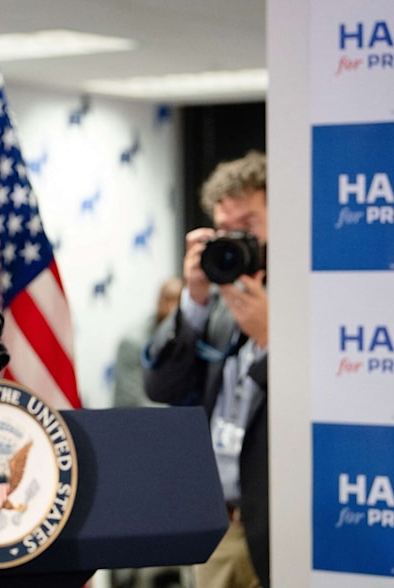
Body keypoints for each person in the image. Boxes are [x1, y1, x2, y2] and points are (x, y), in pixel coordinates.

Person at [142, 150, 269, 588]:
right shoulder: (215, 307)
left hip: (285, 524)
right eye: (224, 231)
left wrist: (271, 338)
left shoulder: (315, 297)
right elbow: (161, 386)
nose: (234, 241)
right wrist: (194, 300)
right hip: (221, 523)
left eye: (247, 228)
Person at [113, 277, 183, 408]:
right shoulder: (132, 343)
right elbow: (133, 401)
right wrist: (183, 414)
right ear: (160, 303)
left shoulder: (191, 338)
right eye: (170, 301)